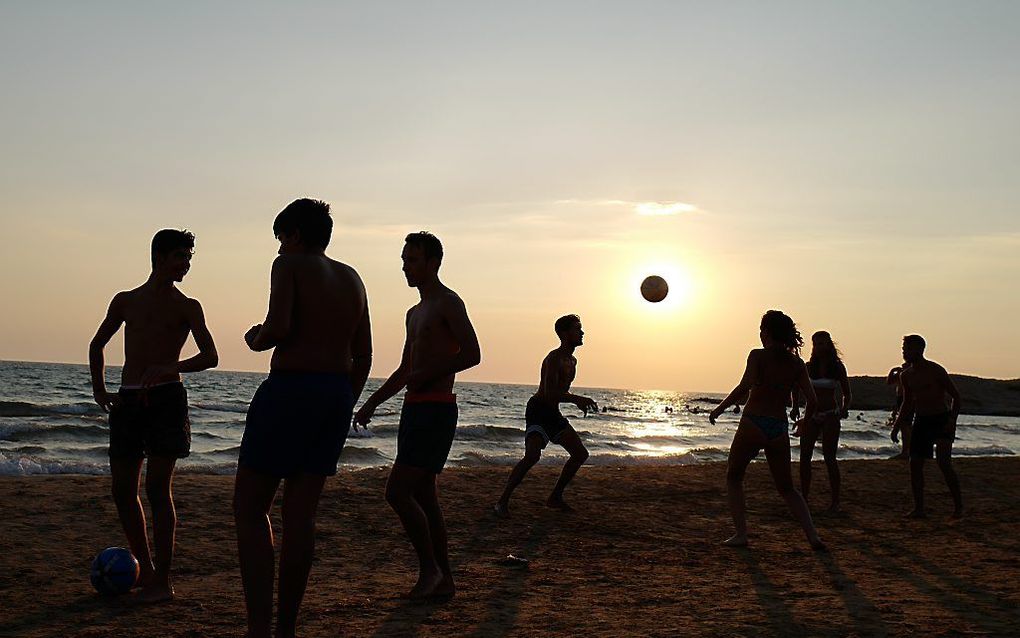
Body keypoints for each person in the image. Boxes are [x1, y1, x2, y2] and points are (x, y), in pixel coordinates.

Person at [234, 199, 372, 638]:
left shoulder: (289, 266)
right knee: (301, 517)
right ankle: (286, 630)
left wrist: (255, 338)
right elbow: (364, 354)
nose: (278, 248)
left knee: (250, 507)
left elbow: (278, 327)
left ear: (293, 235)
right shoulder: (353, 278)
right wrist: (345, 400)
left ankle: (259, 627)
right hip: (334, 395)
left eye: (280, 238)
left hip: (292, 388)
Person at [89, 229, 219, 603]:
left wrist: (169, 367)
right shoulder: (126, 300)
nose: (186, 264)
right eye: (180, 256)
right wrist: (99, 390)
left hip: (166, 400)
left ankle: (163, 581)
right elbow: (97, 344)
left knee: (158, 489)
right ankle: (144, 569)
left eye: (189, 257)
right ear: (159, 257)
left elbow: (210, 356)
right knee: (122, 490)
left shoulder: (188, 306)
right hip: (128, 401)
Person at [354, 232, 480, 600]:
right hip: (414, 409)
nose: (405, 267)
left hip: (437, 409)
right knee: (425, 496)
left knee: (397, 492)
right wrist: (372, 402)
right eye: (404, 259)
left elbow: (472, 353)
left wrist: (428, 374)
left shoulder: (448, 303)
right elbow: (403, 369)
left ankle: (430, 571)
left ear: (433, 262)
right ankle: (445, 580)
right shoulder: (413, 313)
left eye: (412, 260)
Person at [708, 310, 824, 550]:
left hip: (754, 422)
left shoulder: (758, 356)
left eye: (762, 330)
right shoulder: (797, 364)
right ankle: (813, 536)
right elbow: (812, 401)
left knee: (734, 476)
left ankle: (741, 534)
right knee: (787, 488)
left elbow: (744, 387)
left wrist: (719, 409)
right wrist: (804, 422)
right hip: (778, 427)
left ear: (767, 333)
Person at [494, 314, 596, 517]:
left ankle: (555, 497)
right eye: (577, 328)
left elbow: (561, 392)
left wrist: (577, 401)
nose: (582, 332)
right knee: (532, 456)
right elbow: (549, 393)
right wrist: (577, 399)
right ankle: (502, 501)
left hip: (553, 413)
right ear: (565, 333)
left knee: (580, 454)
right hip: (538, 410)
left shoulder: (573, 360)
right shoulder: (554, 358)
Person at [890, 335, 963, 519]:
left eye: (908, 348)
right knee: (915, 464)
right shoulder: (906, 376)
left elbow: (956, 397)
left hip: (941, 419)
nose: (904, 352)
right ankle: (919, 509)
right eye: (903, 348)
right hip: (921, 421)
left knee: (944, 463)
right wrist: (897, 426)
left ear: (920, 349)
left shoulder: (936, 370)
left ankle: (958, 507)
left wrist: (951, 420)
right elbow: (907, 403)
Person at [792, 331, 851, 512]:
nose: (819, 347)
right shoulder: (809, 367)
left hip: (830, 414)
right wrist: (795, 406)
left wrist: (844, 409)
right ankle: (805, 498)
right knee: (805, 456)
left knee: (829, 457)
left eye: (823, 343)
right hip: (811, 415)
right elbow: (796, 387)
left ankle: (835, 501)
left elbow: (847, 393)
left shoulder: (837, 368)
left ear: (829, 345)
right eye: (816, 344)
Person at [887, 363, 911, 459]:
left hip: (907, 399)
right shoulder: (900, 374)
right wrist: (892, 371)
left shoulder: (910, 374)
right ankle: (906, 450)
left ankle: (906, 451)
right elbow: (889, 382)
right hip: (900, 399)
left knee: (905, 425)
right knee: (904, 425)